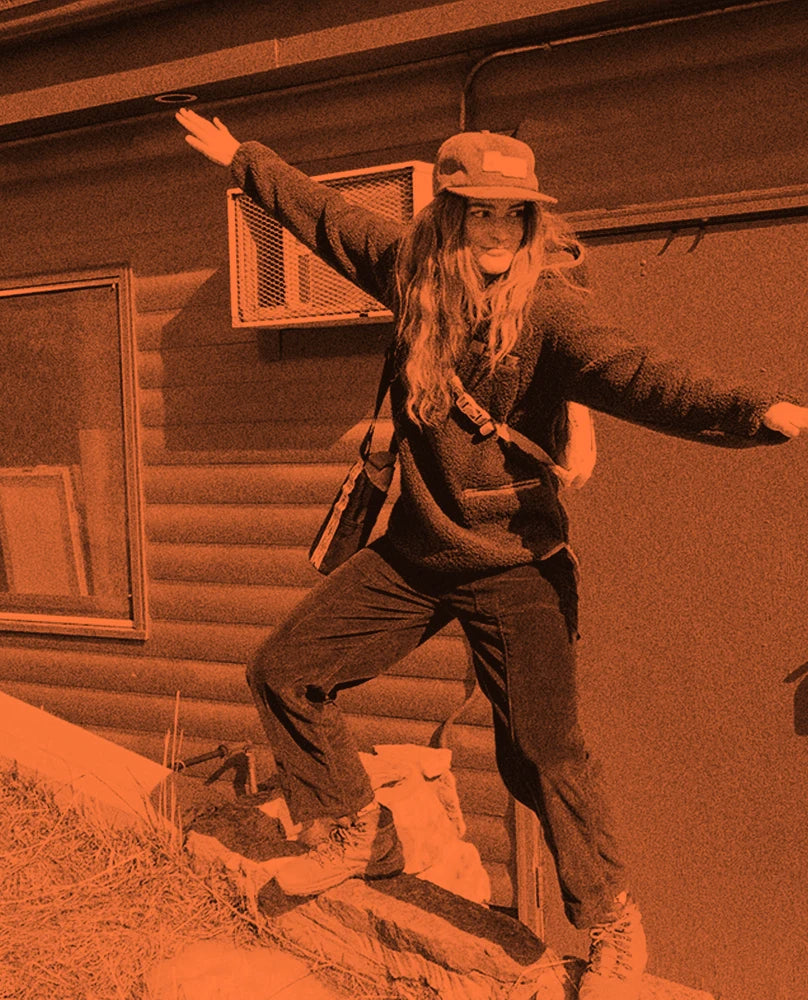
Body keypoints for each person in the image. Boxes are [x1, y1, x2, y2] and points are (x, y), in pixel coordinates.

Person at [175, 105, 808, 1000]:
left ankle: (612, 923)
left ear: (532, 221)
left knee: (542, 751)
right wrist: (245, 158)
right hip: (420, 548)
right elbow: (323, 217)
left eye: (515, 214)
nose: (499, 230)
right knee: (284, 670)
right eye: (481, 212)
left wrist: (753, 409)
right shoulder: (410, 272)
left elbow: (640, 373)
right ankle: (357, 829)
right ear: (450, 216)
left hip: (516, 562)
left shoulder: (549, 308)